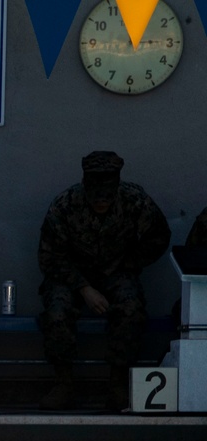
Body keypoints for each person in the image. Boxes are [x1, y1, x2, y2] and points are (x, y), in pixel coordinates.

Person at [37, 150, 171, 412]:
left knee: (131, 308)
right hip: (72, 276)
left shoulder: (134, 201)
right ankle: (63, 383)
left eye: (106, 199)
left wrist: (128, 264)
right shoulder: (65, 205)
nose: (101, 203)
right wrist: (84, 288)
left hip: (117, 271)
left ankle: (118, 384)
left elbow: (159, 236)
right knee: (56, 311)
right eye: (96, 198)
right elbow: (49, 257)